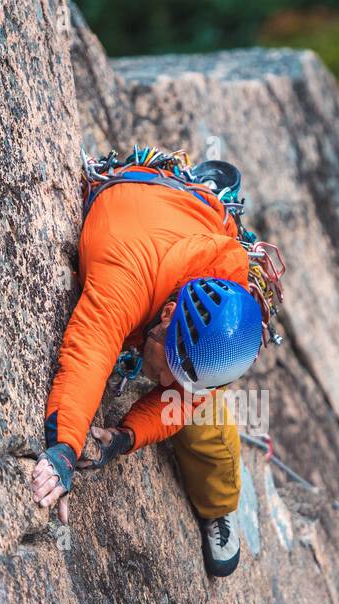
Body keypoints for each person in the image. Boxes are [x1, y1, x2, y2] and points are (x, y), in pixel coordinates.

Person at [29, 158, 264, 577]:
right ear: (167, 314)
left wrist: (125, 437)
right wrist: (63, 449)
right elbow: (89, 354)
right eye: (172, 369)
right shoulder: (125, 278)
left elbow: (188, 398)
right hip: (137, 230)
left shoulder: (229, 293)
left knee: (207, 416)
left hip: (187, 214)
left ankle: (219, 504)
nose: (171, 386)